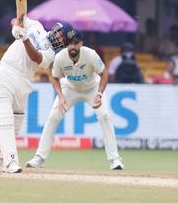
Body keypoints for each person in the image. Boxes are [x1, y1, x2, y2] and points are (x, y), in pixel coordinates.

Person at [26, 24, 124, 170]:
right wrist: (60, 96)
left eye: (76, 43)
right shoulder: (60, 57)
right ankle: (39, 157)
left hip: (92, 87)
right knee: (53, 117)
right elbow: (54, 77)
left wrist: (99, 94)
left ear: (81, 44)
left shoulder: (90, 54)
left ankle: (115, 159)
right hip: (70, 88)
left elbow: (104, 73)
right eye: (70, 43)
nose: (72, 46)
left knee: (104, 116)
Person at [0, 17, 66, 173]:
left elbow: (36, 57)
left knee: (16, 124)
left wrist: (24, 38)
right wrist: (16, 27)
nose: (59, 38)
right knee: (5, 118)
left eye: (62, 40)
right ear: (55, 29)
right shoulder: (36, 25)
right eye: (60, 34)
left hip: (24, 81)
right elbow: (18, 19)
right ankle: (10, 161)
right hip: (5, 71)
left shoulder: (51, 54)